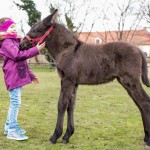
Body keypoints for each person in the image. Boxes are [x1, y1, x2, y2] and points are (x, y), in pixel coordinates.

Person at [0, 17, 45, 140]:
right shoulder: (7, 42)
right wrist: (36, 49)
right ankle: (12, 131)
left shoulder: (14, 41)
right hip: (13, 77)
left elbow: (22, 62)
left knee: (14, 103)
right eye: (11, 26)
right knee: (15, 103)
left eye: (15, 26)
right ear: (3, 29)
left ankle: (8, 127)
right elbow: (18, 56)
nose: (14, 28)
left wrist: (31, 75)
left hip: (17, 76)